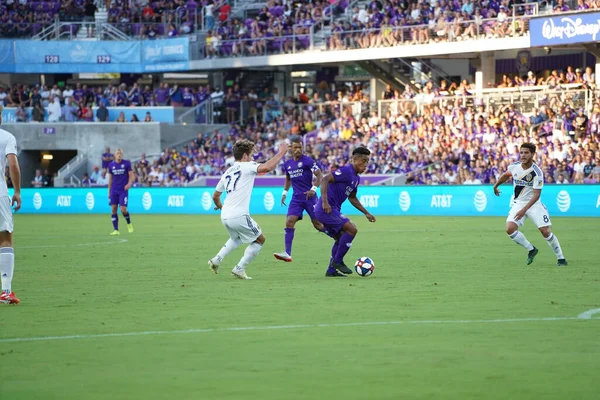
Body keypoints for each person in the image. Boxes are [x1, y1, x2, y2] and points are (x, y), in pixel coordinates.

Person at [208, 139, 289, 280]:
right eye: (251, 155)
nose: (253, 158)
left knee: (236, 238)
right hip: (239, 215)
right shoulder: (247, 166)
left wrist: (222, 207)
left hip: (225, 215)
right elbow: (266, 168)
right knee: (260, 239)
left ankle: (216, 260)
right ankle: (239, 268)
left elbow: (215, 196)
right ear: (245, 156)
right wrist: (281, 152)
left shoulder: (227, 172)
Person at [493, 143, 567, 266]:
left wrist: (524, 210)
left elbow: (537, 194)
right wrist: (496, 185)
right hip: (518, 203)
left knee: (545, 232)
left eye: (526, 153)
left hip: (534, 204)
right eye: (521, 152)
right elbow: (506, 175)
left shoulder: (537, 172)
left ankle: (561, 259)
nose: (523, 155)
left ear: (532, 154)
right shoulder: (514, 166)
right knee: (509, 229)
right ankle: (531, 249)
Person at [315, 147, 376, 277]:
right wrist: (325, 202)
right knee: (352, 229)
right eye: (363, 161)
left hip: (331, 209)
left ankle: (331, 271)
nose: (365, 165)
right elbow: (325, 179)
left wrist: (366, 212)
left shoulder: (356, 178)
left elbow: (352, 197)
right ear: (354, 159)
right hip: (325, 209)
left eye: (367, 162)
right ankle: (338, 261)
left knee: (341, 237)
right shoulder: (347, 171)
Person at [273, 138, 327, 262]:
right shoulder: (288, 164)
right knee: (289, 221)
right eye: (295, 147)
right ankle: (287, 253)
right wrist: (285, 192)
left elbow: (320, 175)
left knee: (318, 224)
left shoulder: (308, 161)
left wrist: (313, 189)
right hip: (296, 198)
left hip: (309, 197)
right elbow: (288, 178)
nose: (297, 150)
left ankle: (336, 235)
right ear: (291, 148)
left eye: (299, 147)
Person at [0, 121, 22, 304]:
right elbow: (12, 165)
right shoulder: (6, 137)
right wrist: (17, 192)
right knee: (5, 239)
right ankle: (6, 292)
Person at [107, 148, 134, 236]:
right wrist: (109, 191)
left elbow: (131, 175)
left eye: (120, 153)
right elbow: (110, 179)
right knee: (113, 209)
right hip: (114, 190)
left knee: (123, 210)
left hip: (123, 190)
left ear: (122, 155)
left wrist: (129, 184)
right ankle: (116, 230)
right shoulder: (111, 165)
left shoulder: (126, 163)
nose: (119, 154)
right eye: (117, 153)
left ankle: (129, 223)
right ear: (115, 155)